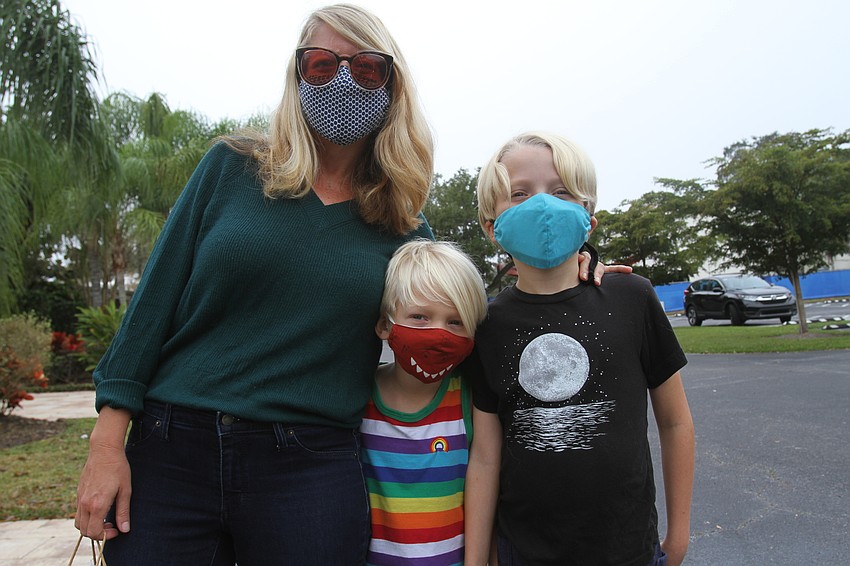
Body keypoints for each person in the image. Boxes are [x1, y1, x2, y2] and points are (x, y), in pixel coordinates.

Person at [74, 4, 437, 564]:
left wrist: (581, 277)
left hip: (309, 469)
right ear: (296, 77)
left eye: (366, 68)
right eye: (320, 63)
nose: (342, 78)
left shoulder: (404, 225)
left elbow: (451, 321)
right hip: (172, 451)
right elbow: (154, 301)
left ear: (393, 85)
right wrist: (105, 444)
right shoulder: (231, 167)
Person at [464, 132, 695, 566]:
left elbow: (675, 421)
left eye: (560, 191)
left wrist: (678, 534)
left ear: (589, 217)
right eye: (519, 193)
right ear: (490, 226)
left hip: (629, 550)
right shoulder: (487, 325)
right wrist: (478, 558)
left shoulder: (633, 297)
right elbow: (486, 457)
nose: (542, 205)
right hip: (524, 553)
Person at [360, 239, 488, 565]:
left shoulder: (470, 399)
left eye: (455, 322)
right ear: (385, 324)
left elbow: (484, 485)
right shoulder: (358, 397)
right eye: (419, 317)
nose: (439, 334)